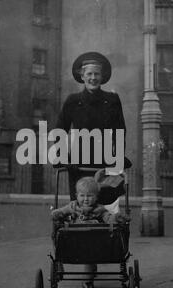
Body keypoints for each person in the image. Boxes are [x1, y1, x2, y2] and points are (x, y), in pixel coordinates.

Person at [55, 52, 130, 201]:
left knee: (105, 205)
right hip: (79, 162)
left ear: (102, 77)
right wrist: (64, 157)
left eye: (97, 74)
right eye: (89, 74)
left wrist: (118, 157)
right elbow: (60, 131)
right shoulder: (73, 101)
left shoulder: (112, 100)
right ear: (82, 76)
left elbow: (120, 131)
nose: (93, 78)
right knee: (81, 204)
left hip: (105, 160)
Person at [51, 177, 129, 288]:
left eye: (90, 196)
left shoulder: (99, 210)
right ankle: (59, 264)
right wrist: (57, 214)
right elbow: (61, 212)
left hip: (92, 243)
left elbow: (108, 218)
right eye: (82, 195)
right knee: (58, 231)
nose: (86, 199)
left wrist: (116, 218)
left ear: (96, 197)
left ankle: (88, 280)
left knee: (89, 256)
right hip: (74, 240)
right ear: (76, 195)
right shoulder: (72, 207)